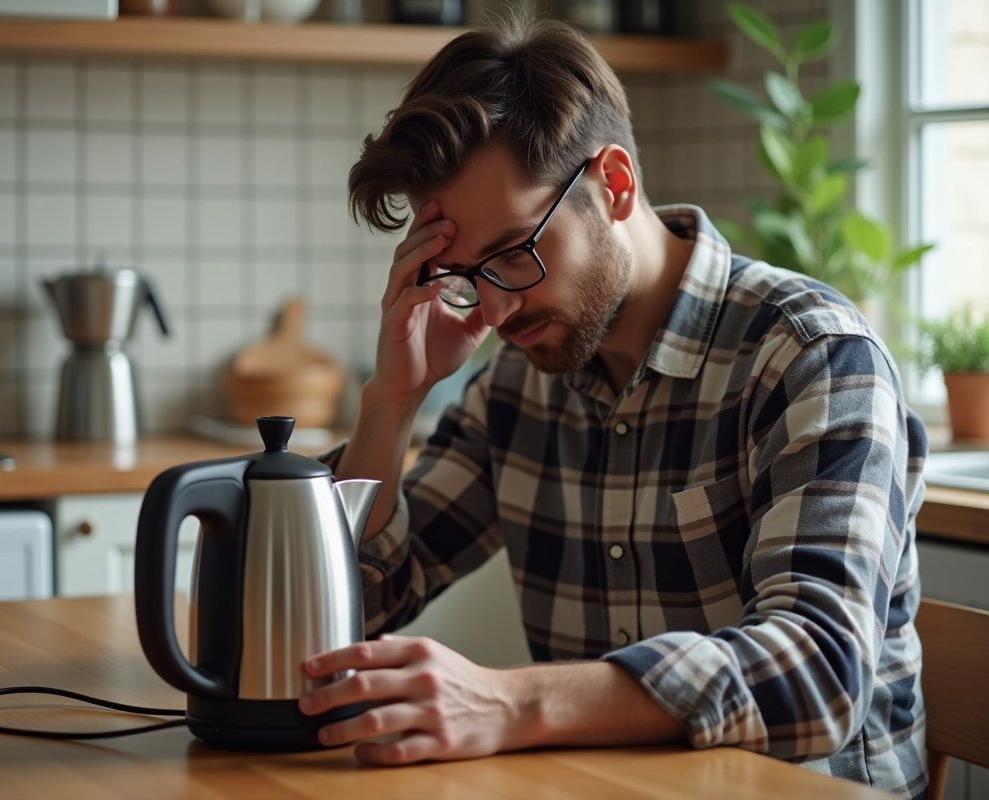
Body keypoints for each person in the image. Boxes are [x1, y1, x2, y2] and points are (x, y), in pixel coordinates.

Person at [297, 14, 928, 799]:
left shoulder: (811, 356)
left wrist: (507, 700)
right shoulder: (515, 388)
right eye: (464, 275)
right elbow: (357, 607)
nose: (492, 310)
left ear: (615, 184)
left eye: (515, 254)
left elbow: (819, 671)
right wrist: (391, 403)